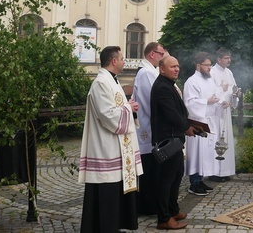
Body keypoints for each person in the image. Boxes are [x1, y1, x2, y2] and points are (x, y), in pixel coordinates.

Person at [78, 46, 143, 233]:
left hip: (119, 147)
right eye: (122, 58)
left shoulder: (112, 82)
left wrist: (129, 106)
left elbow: (118, 108)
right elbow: (108, 115)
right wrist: (129, 109)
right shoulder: (100, 83)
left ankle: (115, 226)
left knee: (117, 190)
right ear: (114, 61)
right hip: (106, 148)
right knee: (107, 191)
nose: (124, 61)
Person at [150, 56, 196, 230]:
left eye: (178, 66)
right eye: (172, 67)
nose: (177, 69)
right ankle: (163, 218)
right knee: (166, 180)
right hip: (167, 140)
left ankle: (173, 209)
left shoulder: (167, 84)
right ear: (162, 69)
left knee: (177, 175)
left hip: (174, 139)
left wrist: (187, 125)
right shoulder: (162, 87)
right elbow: (171, 114)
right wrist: (187, 127)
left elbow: (178, 111)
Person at [131, 41, 166, 215]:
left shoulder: (150, 71)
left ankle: (150, 203)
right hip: (147, 128)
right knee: (148, 169)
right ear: (152, 54)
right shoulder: (146, 73)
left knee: (153, 169)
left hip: (152, 127)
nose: (163, 57)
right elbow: (149, 101)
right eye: (161, 54)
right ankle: (146, 205)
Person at [183, 52, 220, 196]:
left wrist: (220, 102)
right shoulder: (191, 82)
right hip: (198, 122)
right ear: (198, 65)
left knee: (206, 153)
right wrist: (207, 102)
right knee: (197, 153)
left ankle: (201, 179)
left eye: (210, 65)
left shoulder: (209, 80)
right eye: (207, 65)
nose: (209, 68)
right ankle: (194, 183)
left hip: (209, 119)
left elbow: (215, 95)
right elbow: (190, 102)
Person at [208, 48, 238, 182]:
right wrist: (221, 101)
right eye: (226, 58)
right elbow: (210, 92)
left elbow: (233, 89)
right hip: (216, 112)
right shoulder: (212, 72)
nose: (229, 60)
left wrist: (234, 97)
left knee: (226, 140)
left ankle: (225, 171)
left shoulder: (229, 72)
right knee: (217, 140)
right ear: (219, 59)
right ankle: (215, 172)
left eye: (229, 58)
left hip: (226, 111)